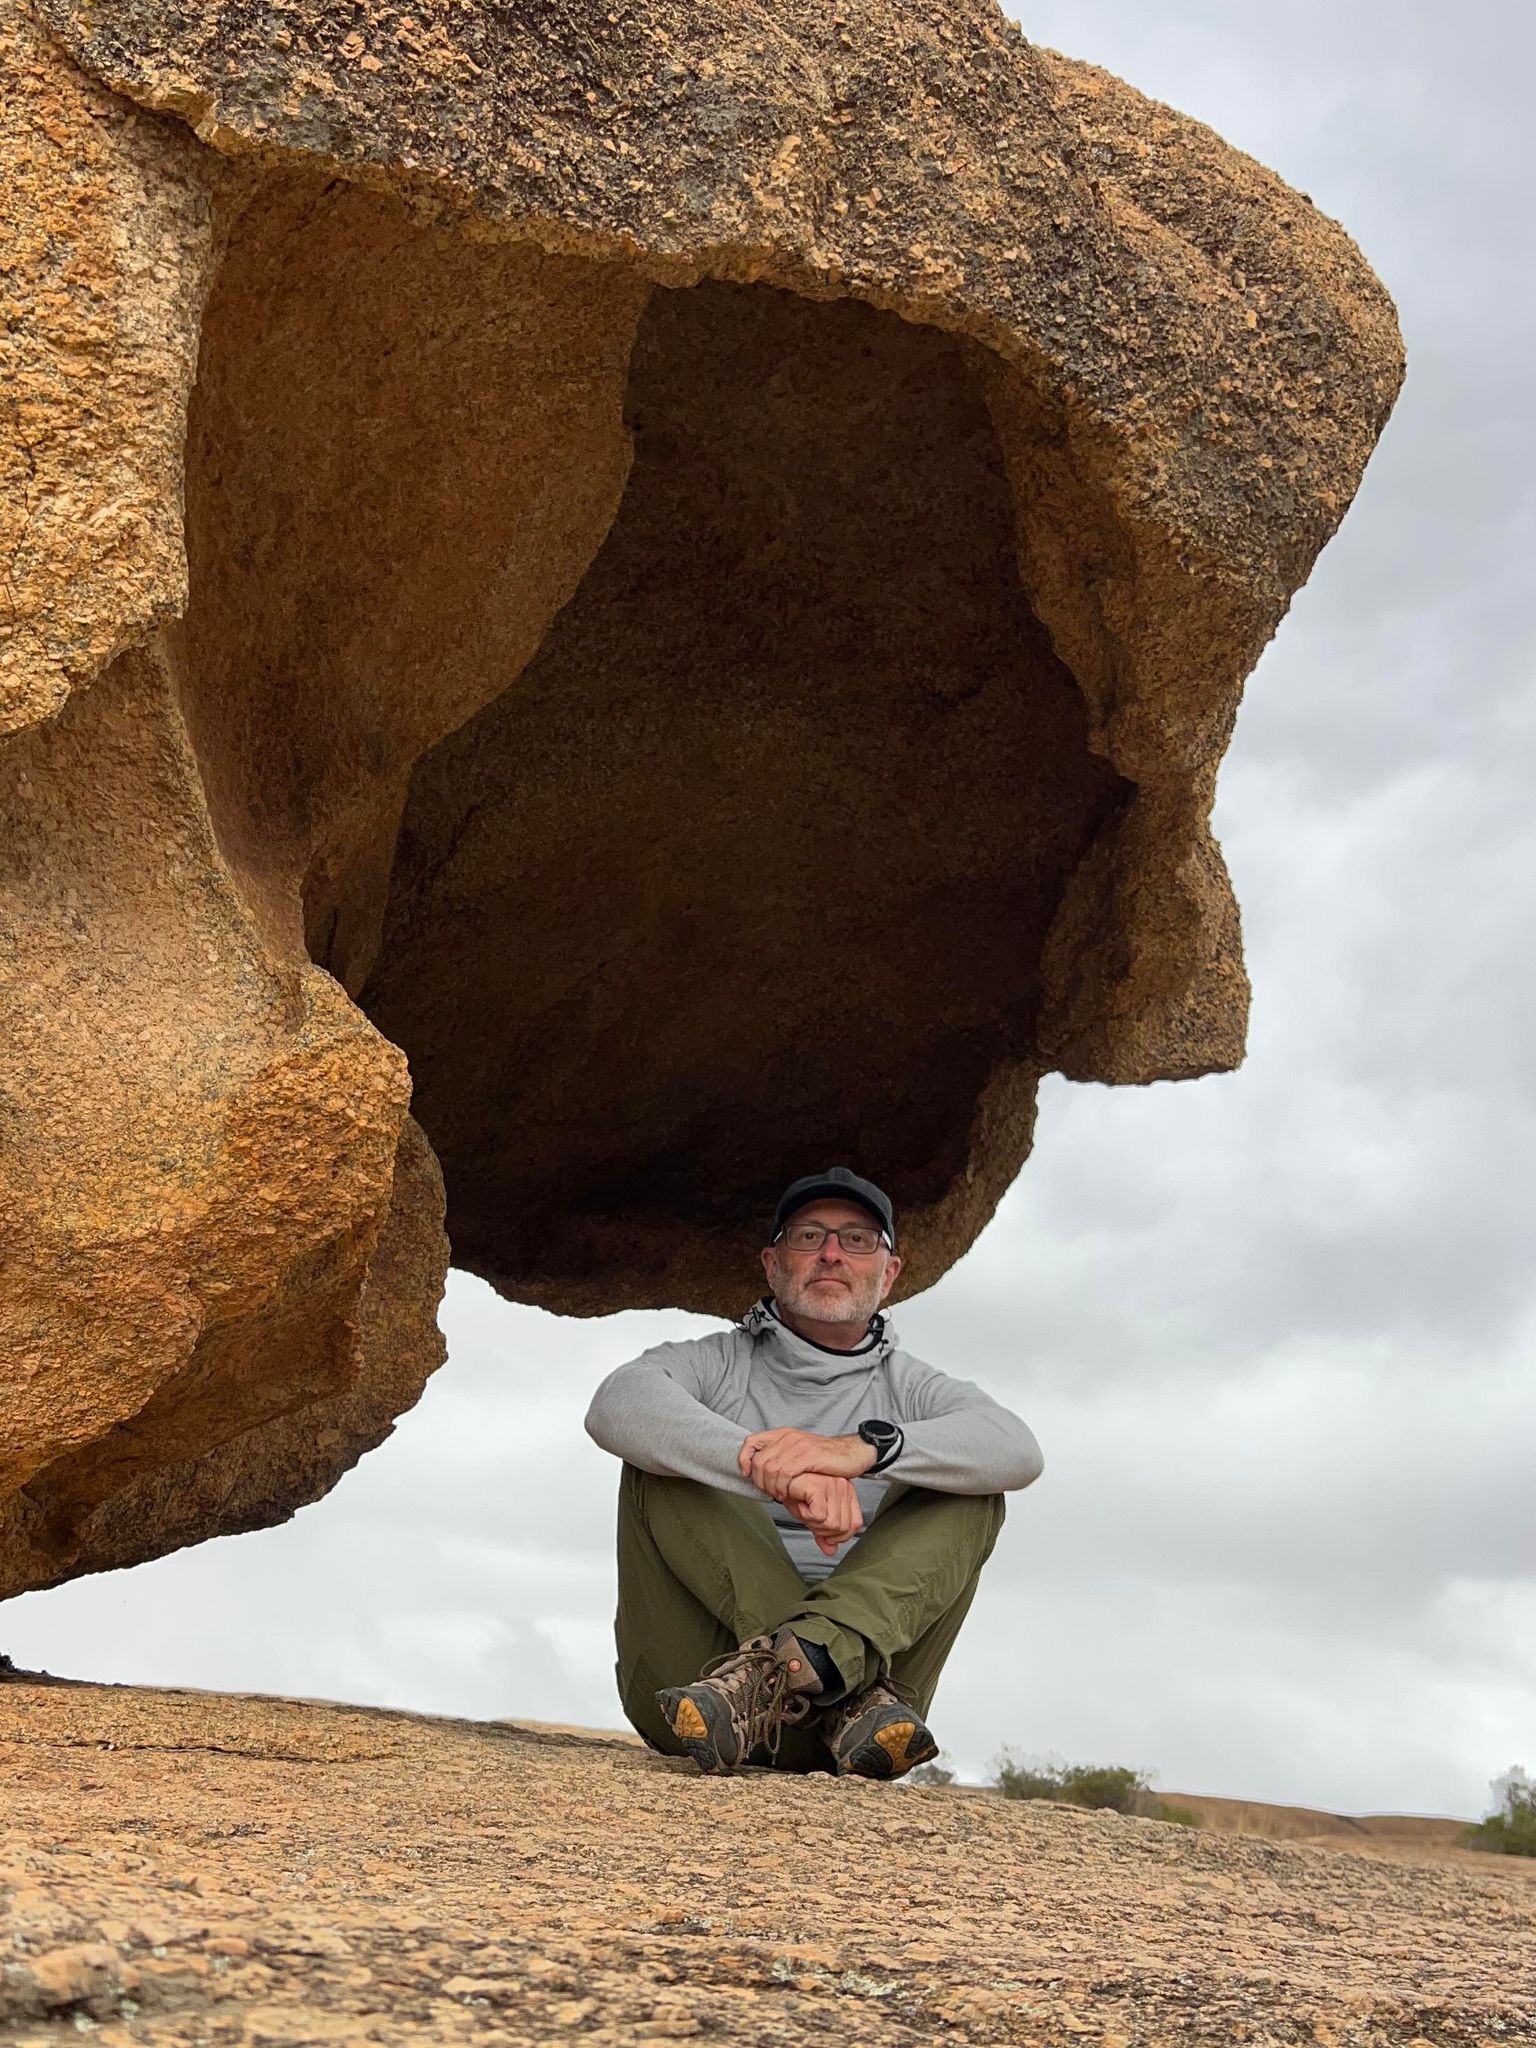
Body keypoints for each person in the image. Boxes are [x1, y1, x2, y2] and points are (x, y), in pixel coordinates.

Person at [584, 1166, 1043, 1778]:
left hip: (865, 1733)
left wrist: (856, 1452)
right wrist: (779, 1470)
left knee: (975, 1491)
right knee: (660, 1454)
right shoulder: (718, 1366)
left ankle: (813, 1667)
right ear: (772, 1266)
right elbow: (617, 1403)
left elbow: (1016, 1448)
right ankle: (820, 1675)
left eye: (857, 1239)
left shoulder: (913, 1390)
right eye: (809, 1236)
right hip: (704, 1703)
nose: (831, 1253)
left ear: (890, 1274)